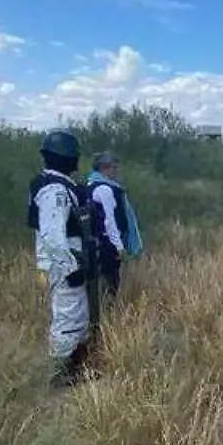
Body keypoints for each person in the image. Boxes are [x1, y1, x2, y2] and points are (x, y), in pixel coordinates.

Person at [27, 129, 97, 387]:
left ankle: (74, 368)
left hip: (62, 263)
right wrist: (70, 267)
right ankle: (59, 373)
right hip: (61, 265)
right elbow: (53, 236)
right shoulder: (54, 190)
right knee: (67, 317)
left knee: (76, 315)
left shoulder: (57, 185)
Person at [86, 151, 144, 314]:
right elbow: (109, 222)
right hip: (107, 247)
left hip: (95, 245)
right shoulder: (105, 189)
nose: (116, 171)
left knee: (99, 285)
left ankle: (100, 318)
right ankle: (105, 321)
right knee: (109, 284)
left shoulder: (90, 186)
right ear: (104, 168)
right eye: (114, 167)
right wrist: (119, 247)